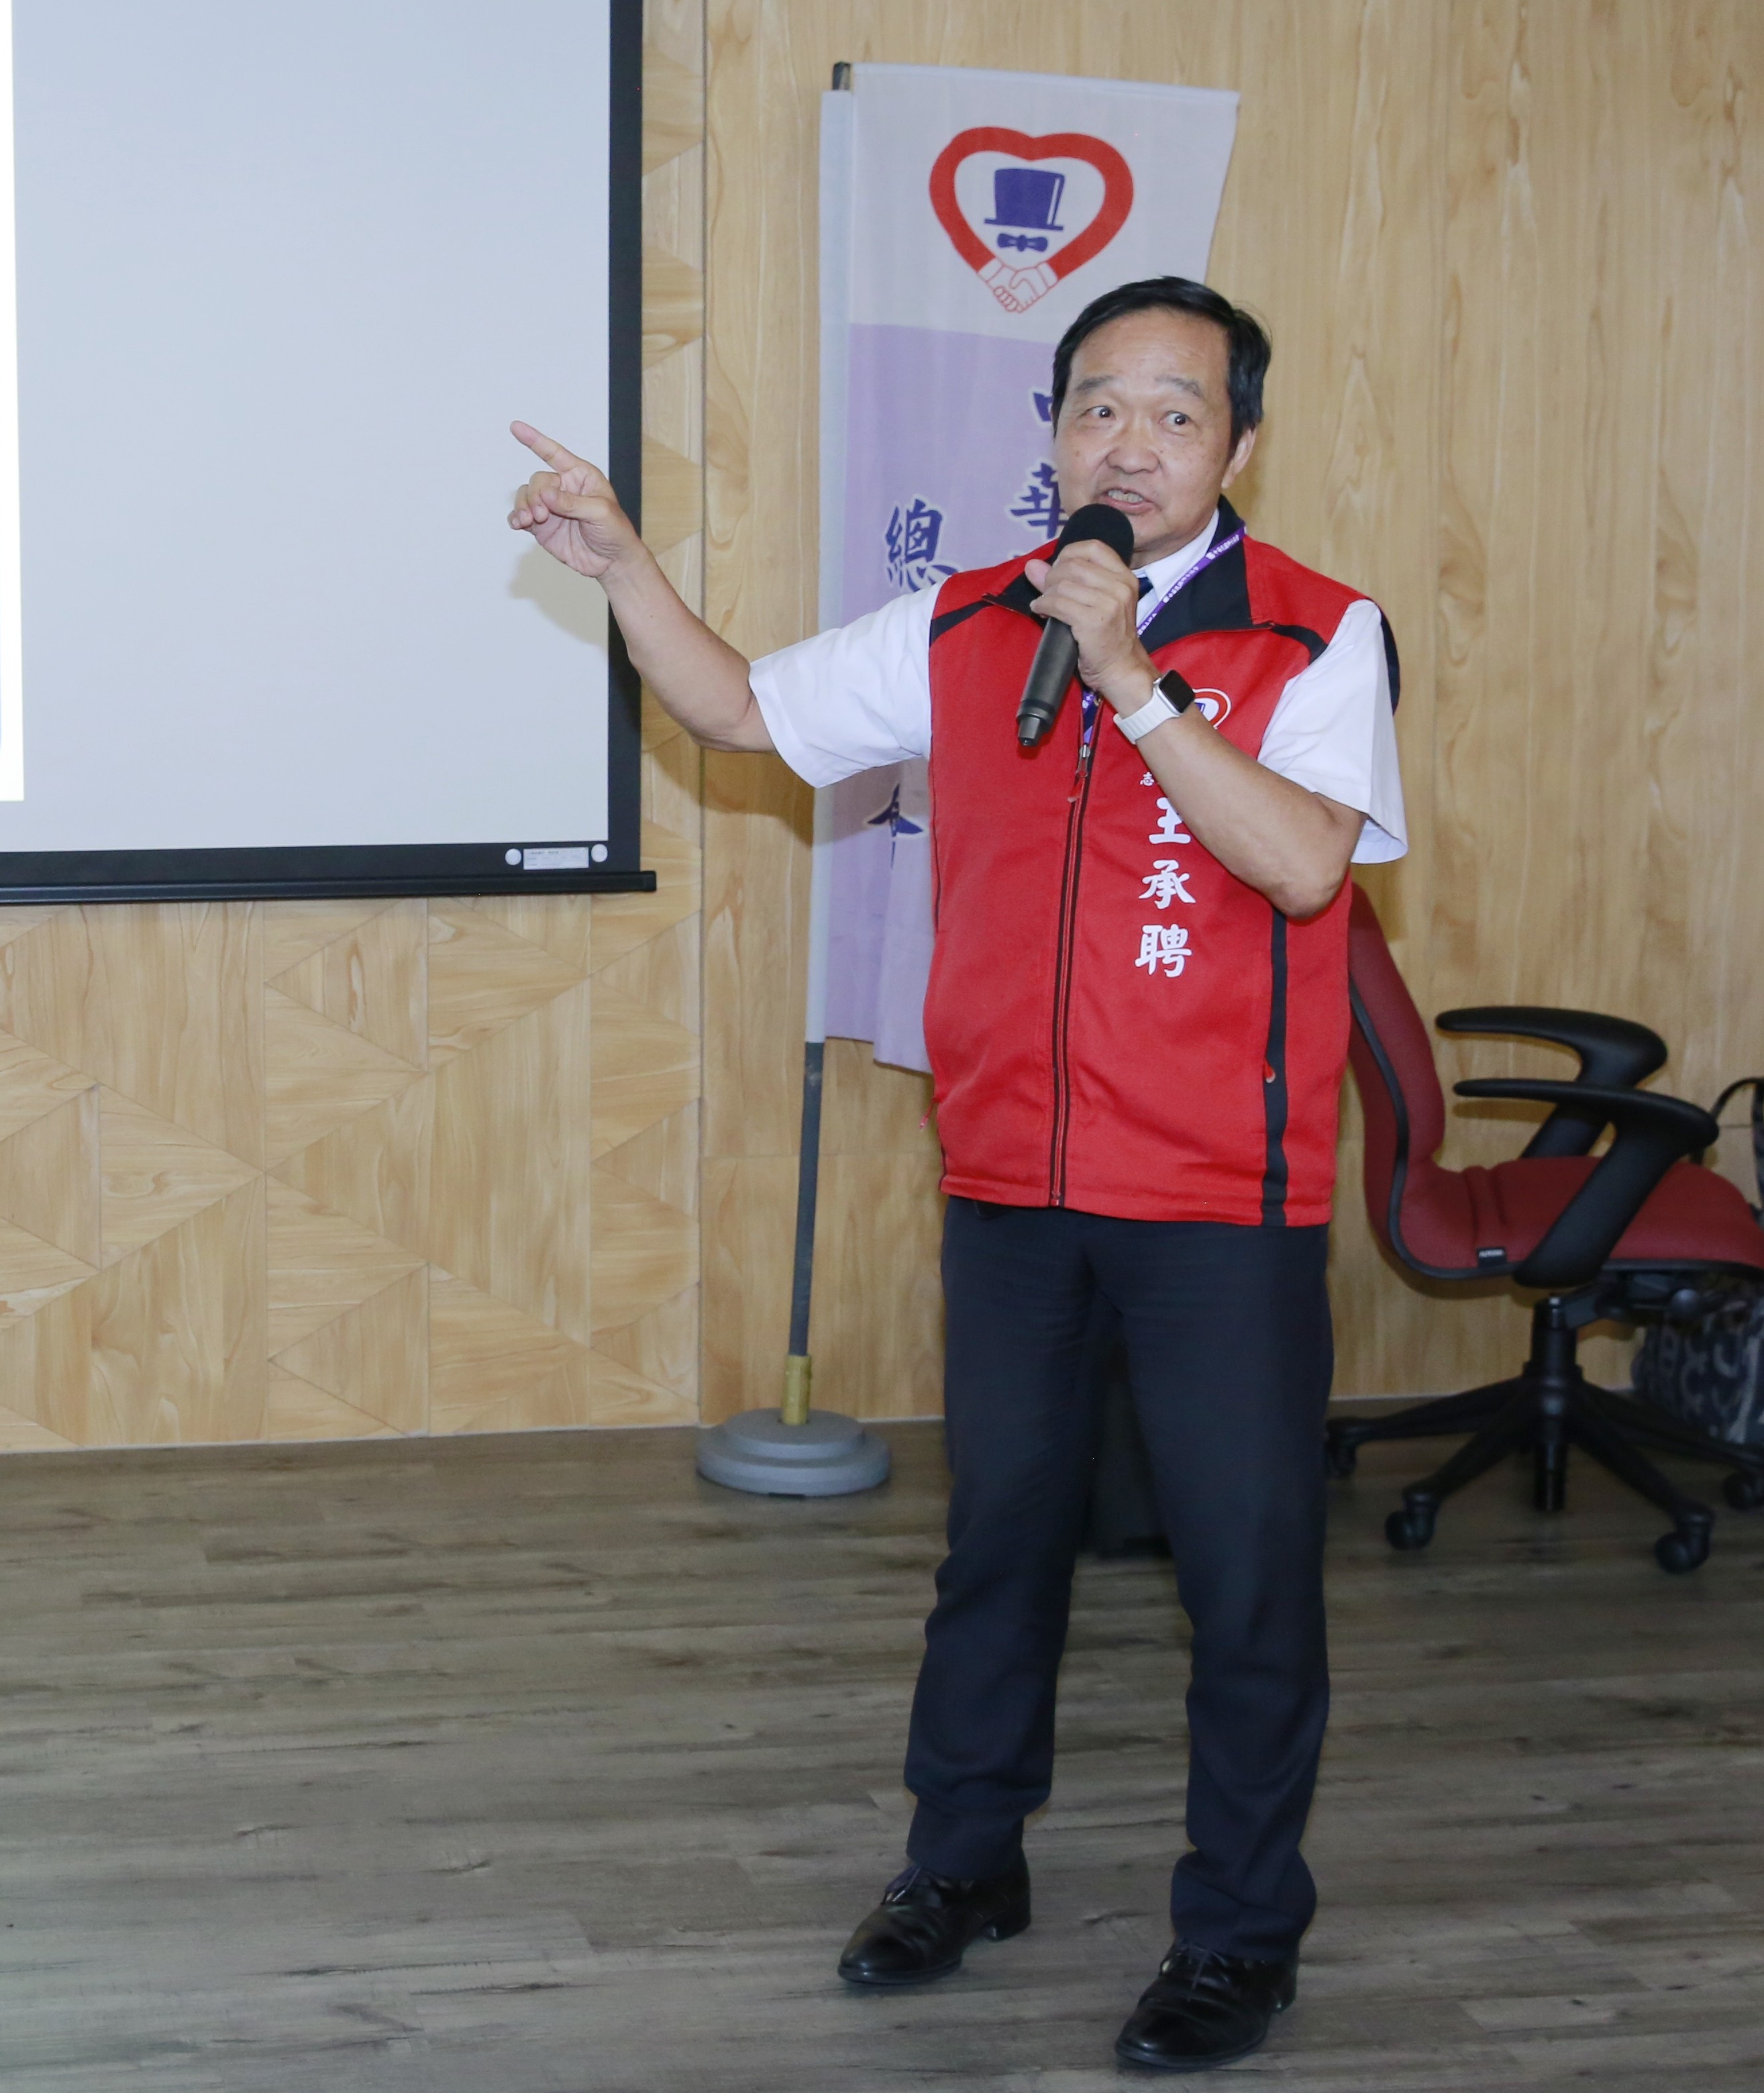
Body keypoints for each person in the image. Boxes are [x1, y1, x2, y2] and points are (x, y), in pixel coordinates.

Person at [507, 276, 1402, 2074]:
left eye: (1171, 412)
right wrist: (620, 570)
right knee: (995, 1543)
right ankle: (961, 1861)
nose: (1126, 443)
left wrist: (1135, 680)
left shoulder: (1315, 631)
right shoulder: (972, 617)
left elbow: (1306, 864)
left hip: (1214, 1199)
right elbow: (739, 709)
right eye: (1094, 407)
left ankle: (1237, 1936)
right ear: (1049, 432)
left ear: (1236, 443)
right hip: (1009, 1177)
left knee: (1243, 1580)